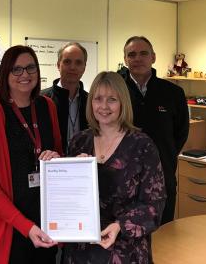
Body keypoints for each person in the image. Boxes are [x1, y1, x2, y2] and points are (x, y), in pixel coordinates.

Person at [62, 71, 166, 264]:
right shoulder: (79, 142)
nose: (103, 106)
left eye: (112, 100)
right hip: (80, 252)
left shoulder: (142, 146)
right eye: (98, 99)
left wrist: (120, 226)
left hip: (125, 251)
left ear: (123, 103)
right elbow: (68, 199)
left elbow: (155, 205)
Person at [0, 45, 63, 264]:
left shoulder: (47, 106)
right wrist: (25, 226)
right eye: (17, 69)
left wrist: (57, 157)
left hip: (44, 224)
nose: (25, 75)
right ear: (6, 74)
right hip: (8, 229)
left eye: (31, 68)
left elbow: (59, 152)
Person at [119, 36, 189, 224]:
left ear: (154, 57)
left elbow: (181, 133)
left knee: (164, 236)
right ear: (125, 60)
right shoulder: (116, 90)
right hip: (124, 180)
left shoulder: (173, 93)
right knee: (127, 236)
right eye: (131, 54)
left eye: (143, 53)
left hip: (162, 177)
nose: (137, 58)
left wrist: (164, 155)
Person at [42, 42, 88, 153]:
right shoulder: (41, 100)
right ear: (58, 65)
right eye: (67, 62)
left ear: (84, 67)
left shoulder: (91, 102)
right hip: (53, 166)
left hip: (84, 165)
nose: (72, 67)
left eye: (78, 63)